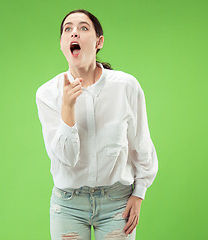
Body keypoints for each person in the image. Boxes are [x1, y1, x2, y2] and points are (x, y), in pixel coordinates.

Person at [36, 9, 158, 240]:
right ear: (62, 43)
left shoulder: (126, 86)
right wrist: (68, 109)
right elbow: (66, 158)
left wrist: (139, 193)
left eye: (83, 28)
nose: (75, 33)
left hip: (117, 203)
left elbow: (140, 143)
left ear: (99, 42)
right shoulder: (47, 94)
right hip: (68, 205)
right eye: (68, 29)